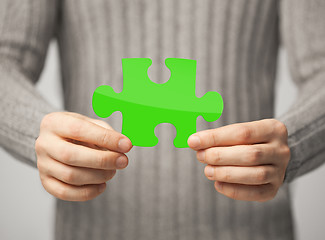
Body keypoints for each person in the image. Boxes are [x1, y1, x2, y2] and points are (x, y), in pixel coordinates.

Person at [1, 0, 324, 239]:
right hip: (93, 229)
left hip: (252, 230)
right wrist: (36, 129)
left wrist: (294, 141)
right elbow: (5, 59)